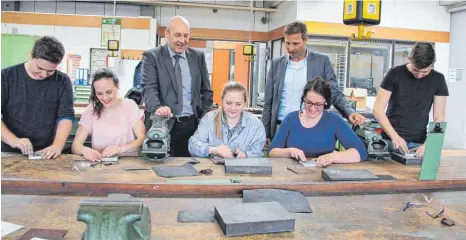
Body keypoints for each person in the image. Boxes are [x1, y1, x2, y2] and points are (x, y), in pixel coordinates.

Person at [262, 21, 365, 145]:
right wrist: (265, 132)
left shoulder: (322, 62)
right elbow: (268, 102)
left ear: (306, 40)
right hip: (281, 128)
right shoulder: (276, 64)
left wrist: (350, 112)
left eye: (296, 43)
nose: (290, 48)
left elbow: (334, 93)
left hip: (312, 127)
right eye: (287, 43)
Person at [141, 16, 213, 157]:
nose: (182, 40)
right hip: (163, 124)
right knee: (158, 170)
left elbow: (206, 91)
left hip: (192, 126)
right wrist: (157, 108)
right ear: (167, 34)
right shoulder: (152, 56)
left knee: (191, 170)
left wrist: (204, 119)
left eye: (186, 35)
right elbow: (149, 88)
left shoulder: (197, 57)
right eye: (177, 35)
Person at [1, 36, 74, 159]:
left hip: (47, 153)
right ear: (31, 55)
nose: (44, 75)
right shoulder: (6, 77)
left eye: (51, 71)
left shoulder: (62, 81)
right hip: (10, 152)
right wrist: (14, 140)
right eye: (40, 68)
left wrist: (57, 145)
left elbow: (65, 116)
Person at [268, 77, 367, 167]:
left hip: (324, 177)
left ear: (326, 103)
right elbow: (272, 152)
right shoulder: (291, 119)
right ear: (303, 99)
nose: (312, 108)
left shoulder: (334, 121)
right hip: (292, 175)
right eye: (309, 103)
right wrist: (290, 152)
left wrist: (331, 157)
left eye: (318, 104)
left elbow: (361, 152)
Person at [373, 42, 448, 158]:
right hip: (390, 141)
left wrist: (429, 144)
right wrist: (395, 136)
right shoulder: (394, 73)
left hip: (418, 145)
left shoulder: (438, 80)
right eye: (415, 70)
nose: (419, 75)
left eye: (425, 72)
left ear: (433, 65)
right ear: (409, 59)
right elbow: (378, 109)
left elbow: (439, 117)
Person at [72, 68, 145, 161]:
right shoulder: (90, 110)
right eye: (99, 93)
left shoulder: (129, 106)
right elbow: (75, 145)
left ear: (117, 85)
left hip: (128, 164)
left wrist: (121, 149)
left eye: (109, 92)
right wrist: (84, 150)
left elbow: (142, 138)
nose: (105, 98)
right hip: (100, 164)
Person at [189, 82, 266, 158]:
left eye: (238, 104)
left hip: (243, 169)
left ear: (245, 103)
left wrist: (245, 155)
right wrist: (214, 150)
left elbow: (258, 153)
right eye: (228, 103)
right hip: (213, 169)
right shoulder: (209, 118)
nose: (233, 108)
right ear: (222, 101)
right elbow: (193, 146)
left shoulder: (255, 124)